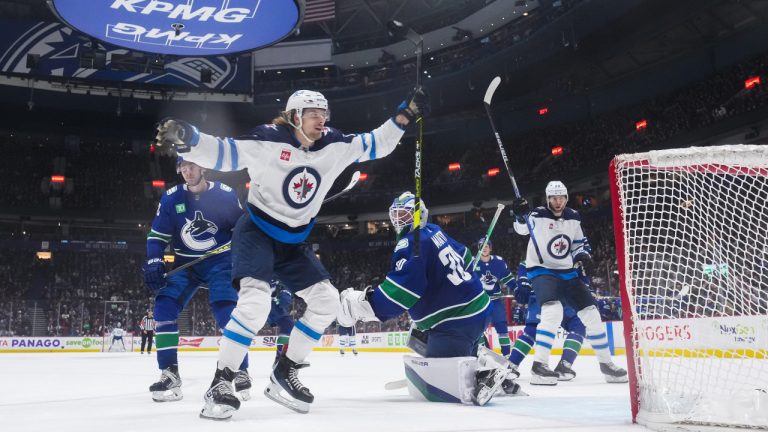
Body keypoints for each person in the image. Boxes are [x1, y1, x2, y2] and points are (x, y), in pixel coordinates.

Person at [154, 88, 428, 418]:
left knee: (327, 301)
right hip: (256, 233)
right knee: (254, 304)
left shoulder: (335, 144)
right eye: (313, 113)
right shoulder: (269, 140)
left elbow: (377, 143)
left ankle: (286, 370)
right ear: (295, 116)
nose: (321, 119)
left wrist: (404, 115)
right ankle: (221, 381)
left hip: (292, 243)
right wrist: (191, 139)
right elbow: (225, 153)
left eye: (324, 113)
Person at [338, 192, 517, 406]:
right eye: (396, 215)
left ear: (419, 214)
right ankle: (481, 360)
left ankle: (484, 373)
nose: (399, 221)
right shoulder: (434, 230)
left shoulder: (412, 243)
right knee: (417, 336)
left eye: (405, 215)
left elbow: (400, 295)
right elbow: (467, 260)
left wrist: (362, 304)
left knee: (440, 388)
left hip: (454, 321)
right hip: (475, 309)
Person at [142, 158, 251, 403]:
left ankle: (240, 368)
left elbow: (242, 230)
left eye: (192, 166)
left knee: (226, 311)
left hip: (220, 261)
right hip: (184, 262)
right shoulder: (171, 198)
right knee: (163, 307)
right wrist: (154, 261)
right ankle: (169, 371)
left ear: (203, 168)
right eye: (183, 167)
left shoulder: (224, 195)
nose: (187, 172)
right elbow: (157, 235)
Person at [510, 181, 628, 385]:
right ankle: (539, 366)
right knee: (553, 310)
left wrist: (583, 256)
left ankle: (606, 364)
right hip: (542, 270)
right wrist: (519, 214)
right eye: (554, 198)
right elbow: (522, 229)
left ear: (566, 198)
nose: (558, 202)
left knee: (591, 313)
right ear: (548, 199)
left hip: (567, 272)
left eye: (561, 197)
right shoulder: (537, 215)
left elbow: (578, 244)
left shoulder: (573, 216)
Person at [508, 262, 587, 383]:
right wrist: (523, 285)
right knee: (532, 330)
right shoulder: (531, 259)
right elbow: (524, 269)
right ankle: (511, 365)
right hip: (542, 295)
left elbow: (580, 279)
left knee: (578, 326)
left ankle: (564, 365)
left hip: (564, 298)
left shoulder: (568, 258)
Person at [472, 238, 516, 358]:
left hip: (495, 302)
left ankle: (507, 357)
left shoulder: (499, 262)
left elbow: (509, 279)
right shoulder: (472, 262)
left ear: (490, 248)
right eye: (481, 245)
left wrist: (517, 289)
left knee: (502, 329)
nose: (484, 248)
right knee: (477, 331)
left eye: (487, 246)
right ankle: (482, 355)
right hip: (480, 303)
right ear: (478, 248)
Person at [266, 279, 294, 363]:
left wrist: (285, 291)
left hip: (269, 303)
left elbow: (281, 282)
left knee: (288, 325)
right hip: (253, 299)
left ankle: (279, 358)